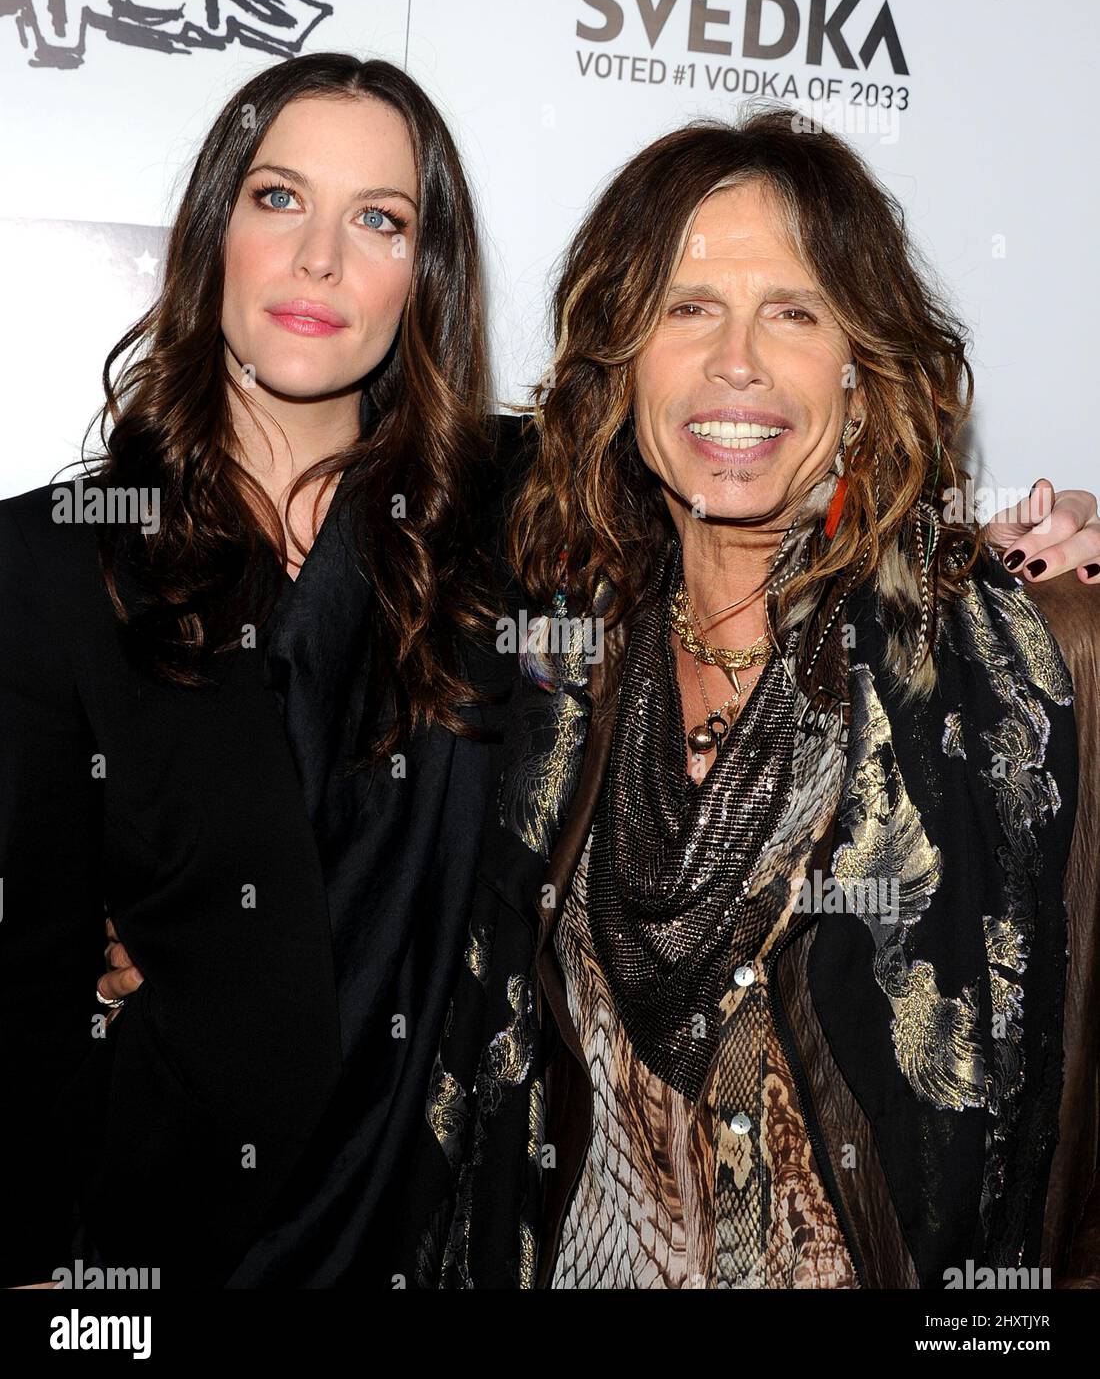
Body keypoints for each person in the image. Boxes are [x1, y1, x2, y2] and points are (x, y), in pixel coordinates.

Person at [400, 106, 1100, 1290]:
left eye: (792, 311)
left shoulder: (1026, 667)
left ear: (864, 370)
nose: (736, 362)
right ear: (618, 369)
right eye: (686, 309)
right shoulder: (546, 658)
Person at [0, 52, 526, 1289]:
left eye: (378, 220)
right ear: (213, 227)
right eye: (279, 199)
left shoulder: (517, 514)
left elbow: (753, 521)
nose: (319, 261)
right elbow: (22, 1011)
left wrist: (1027, 553)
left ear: (424, 274)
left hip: (442, 1231)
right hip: (166, 1252)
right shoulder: (51, 560)